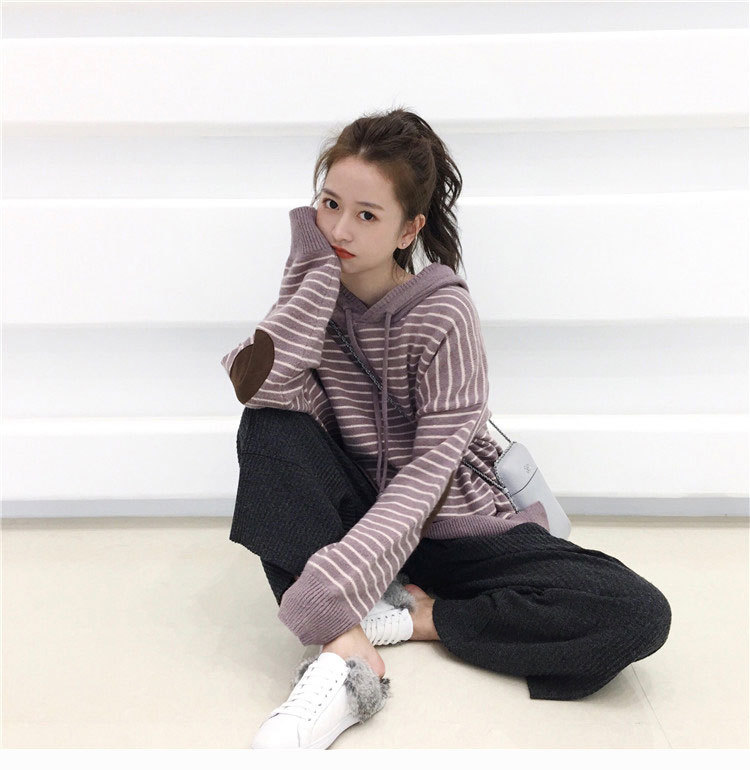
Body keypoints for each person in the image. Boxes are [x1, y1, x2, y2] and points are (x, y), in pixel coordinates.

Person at [220, 107, 672, 750]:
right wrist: (310, 274)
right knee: (267, 427)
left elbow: (427, 477)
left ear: (410, 229)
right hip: (361, 513)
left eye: (367, 215)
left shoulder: (445, 314)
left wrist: (340, 578)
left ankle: (416, 616)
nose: (339, 229)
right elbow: (260, 387)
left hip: (450, 524)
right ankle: (346, 649)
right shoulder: (315, 300)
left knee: (637, 611)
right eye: (329, 203)